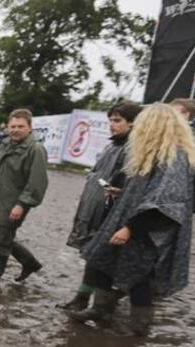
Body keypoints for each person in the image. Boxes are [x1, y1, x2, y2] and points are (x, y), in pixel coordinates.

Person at [70, 103, 195, 336]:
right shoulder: (152, 154)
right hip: (128, 219)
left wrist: (130, 228)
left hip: (148, 229)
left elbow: (165, 201)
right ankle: (100, 309)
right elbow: (146, 189)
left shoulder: (173, 157)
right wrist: (123, 194)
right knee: (101, 259)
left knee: (139, 275)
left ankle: (139, 327)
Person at [58, 101, 142, 311]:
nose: (112, 125)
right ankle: (83, 298)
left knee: (105, 260)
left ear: (132, 123)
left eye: (117, 120)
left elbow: (133, 187)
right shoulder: (112, 145)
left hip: (113, 215)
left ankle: (104, 306)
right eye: (110, 120)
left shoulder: (133, 149)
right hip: (96, 211)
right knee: (93, 257)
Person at [0, 108, 48, 286]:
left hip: (12, 204)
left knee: (1, 241)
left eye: (20, 126)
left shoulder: (35, 150)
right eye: (12, 126)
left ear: (30, 128)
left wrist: (22, 204)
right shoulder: (4, 144)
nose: (15, 130)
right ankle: (30, 263)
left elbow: (36, 183)